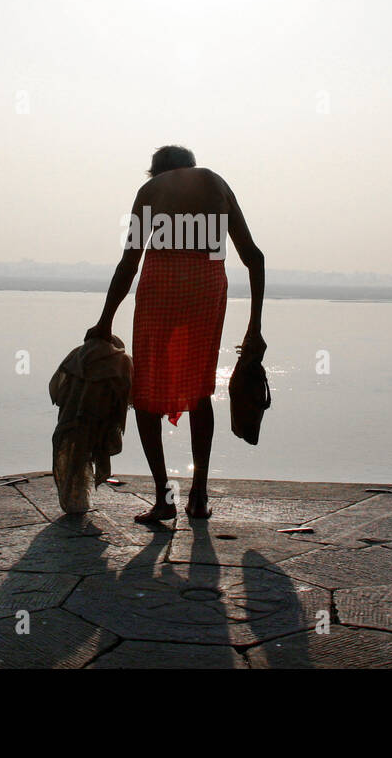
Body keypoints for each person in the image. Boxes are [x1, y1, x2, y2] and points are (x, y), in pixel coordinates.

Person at [85, 146, 266, 521]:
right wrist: (255, 328)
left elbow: (129, 262)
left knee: (146, 393)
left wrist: (105, 322)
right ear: (191, 165)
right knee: (200, 390)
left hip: (162, 283)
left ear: (156, 172)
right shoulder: (217, 183)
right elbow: (254, 257)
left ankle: (164, 498)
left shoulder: (152, 191)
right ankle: (198, 496)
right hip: (207, 283)